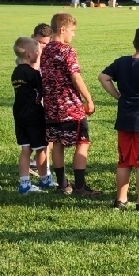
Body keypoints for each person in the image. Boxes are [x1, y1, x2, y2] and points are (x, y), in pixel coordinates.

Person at [99, 26, 139, 210]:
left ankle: (120, 199)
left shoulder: (122, 62)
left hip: (125, 118)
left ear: (134, 43)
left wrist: (118, 95)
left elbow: (103, 77)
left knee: (124, 160)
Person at [40, 13, 98, 197]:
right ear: (62, 29)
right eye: (72, 31)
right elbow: (76, 77)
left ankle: (62, 184)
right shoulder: (67, 51)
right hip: (69, 106)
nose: (73, 35)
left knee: (57, 143)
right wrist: (88, 98)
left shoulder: (46, 49)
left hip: (51, 106)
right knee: (82, 142)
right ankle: (80, 186)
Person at [12, 37, 53, 194]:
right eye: (38, 52)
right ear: (30, 55)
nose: (39, 54)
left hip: (19, 114)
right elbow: (44, 91)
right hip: (34, 115)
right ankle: (44, 180)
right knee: (41, 149)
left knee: (25, 149)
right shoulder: (34, 74)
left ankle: (24, 184)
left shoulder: (16, 73)